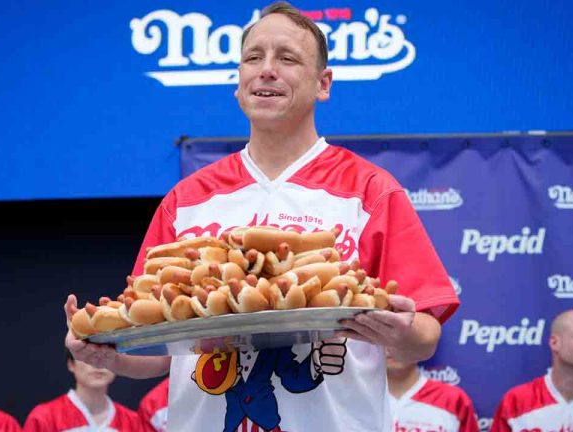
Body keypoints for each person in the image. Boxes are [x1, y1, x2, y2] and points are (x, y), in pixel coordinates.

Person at [65, 2, 459, 430]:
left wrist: (402, 332)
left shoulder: (370, 190)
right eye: (254, 57)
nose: (266, 69)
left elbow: (425, 334)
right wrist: (108, 354)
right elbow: (159, 352)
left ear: (323, 83)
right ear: (238, 84)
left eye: (287, 58)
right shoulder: (186, 199)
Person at [23, 349, 142, 431]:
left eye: (106, 355)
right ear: (71, 364)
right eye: (87, 357)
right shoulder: (44, 418)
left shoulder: (133, 422)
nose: (98, 364)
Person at [387, 353, 478, 432]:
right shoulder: (372, 398)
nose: (391, 348)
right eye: (382, 339)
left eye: (403, 339)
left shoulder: (453, 399)